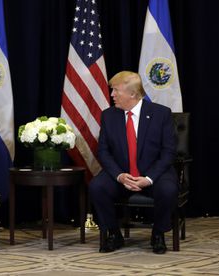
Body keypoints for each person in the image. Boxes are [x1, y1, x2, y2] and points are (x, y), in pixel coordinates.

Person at [89, 71, 178, 254]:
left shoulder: (161, 114)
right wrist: (119, 176)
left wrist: (149, 178)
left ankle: (158, 233)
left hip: (154, 173)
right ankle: (113, 233)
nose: (112, 95)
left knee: (168, 189)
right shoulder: (109, 116)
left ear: (132, 94)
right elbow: (103, 152)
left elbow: (168, 152)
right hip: (122, 174)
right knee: (97, 187)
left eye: (115, 90)